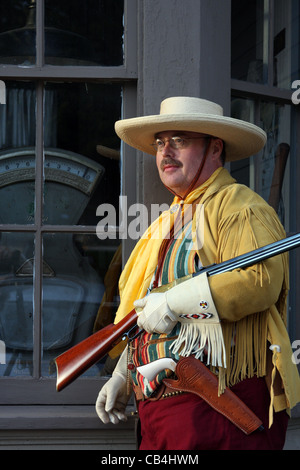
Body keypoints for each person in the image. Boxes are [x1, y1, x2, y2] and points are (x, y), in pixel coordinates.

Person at [95, 96, 300, 450]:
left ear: (215, 148)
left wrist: (175, 300)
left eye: (180, 140)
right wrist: (122, 377)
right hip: (161, 410)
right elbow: (145, 313)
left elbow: (260, 282)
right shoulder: (168, 221)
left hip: (220, 406)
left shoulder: (241, 206)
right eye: (160, 143)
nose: (165, 152)